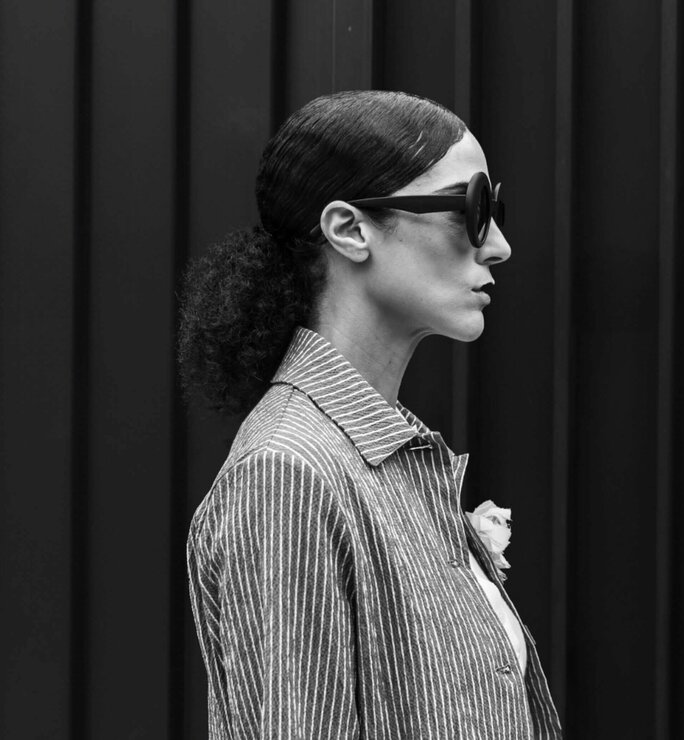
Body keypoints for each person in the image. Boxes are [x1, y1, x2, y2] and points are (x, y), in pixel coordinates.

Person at [179, 89, 562, 739]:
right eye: (470, 210)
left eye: (493, 210)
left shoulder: (387, 461)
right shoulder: (289, 474)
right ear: (349, 230)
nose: (497, 245)